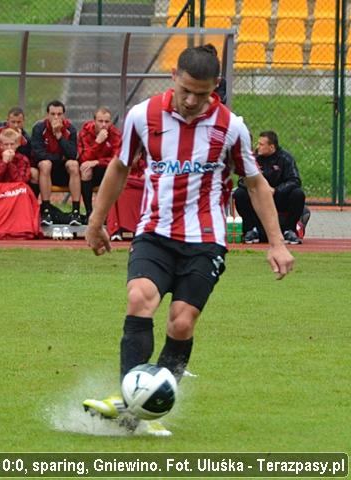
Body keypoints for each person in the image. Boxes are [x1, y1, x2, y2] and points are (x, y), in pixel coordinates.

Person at [82, 44, 295, 433]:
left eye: (202, 93)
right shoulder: (142, 116)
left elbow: (256, 183)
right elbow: (118, 167)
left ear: (215, 86)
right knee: (139, 298)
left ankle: (150, 407)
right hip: (154, 232)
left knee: (181, 323)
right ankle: (133, 404)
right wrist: (96, 222)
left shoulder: (231, 126)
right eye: (186, 91)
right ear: (174, 78)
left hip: (205, 239)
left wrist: (277, 243)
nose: (193, 100)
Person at [233, 130, 306, 245]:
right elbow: (242, 180)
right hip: (258, 199)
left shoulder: (285, 158)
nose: (258, 147)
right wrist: (259, 189)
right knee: (239, 194)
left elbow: (295, 180)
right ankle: (251, 230)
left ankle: (289, 230)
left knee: (298, 194)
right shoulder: (253, 158)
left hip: (278, 198)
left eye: (261, 144)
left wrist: (276, 190)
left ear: (271, 147)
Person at [31, 100, 81, 226]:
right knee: (45, 164)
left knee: (74, 165)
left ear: (64, 115)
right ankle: (46, 212)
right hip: (46, 172)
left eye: (59, 114)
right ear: (47, 115)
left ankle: (76, 212)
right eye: (53, 114)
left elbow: (72, 155)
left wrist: (59, 135)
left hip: (63, 172)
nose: (56, 117)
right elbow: (38, 154)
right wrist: (59, 157)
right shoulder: (39, 128)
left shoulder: (70, 129)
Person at [76, 107, 121, 219]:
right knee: (86, 170)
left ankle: (110, 215)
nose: (104, 125)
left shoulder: (115, 134)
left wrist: (97, 162)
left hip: (107, 169)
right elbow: (84, 159)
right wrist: (98, 142)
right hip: (91, 172)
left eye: (107, 121)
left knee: (114, 171)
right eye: (100, 121)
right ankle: (89, 212)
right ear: (94, 121)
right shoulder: (85, 133)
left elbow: (117, 159)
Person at [0, 106, 35, 185]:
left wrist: (18, 143)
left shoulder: (26, 138)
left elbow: (25, 158)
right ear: (7, 121)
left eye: (19, 122)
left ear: (23, 122)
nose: (16, 125)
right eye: (13, 122)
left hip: (16, 165)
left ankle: (28, 196)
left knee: (33, 173)